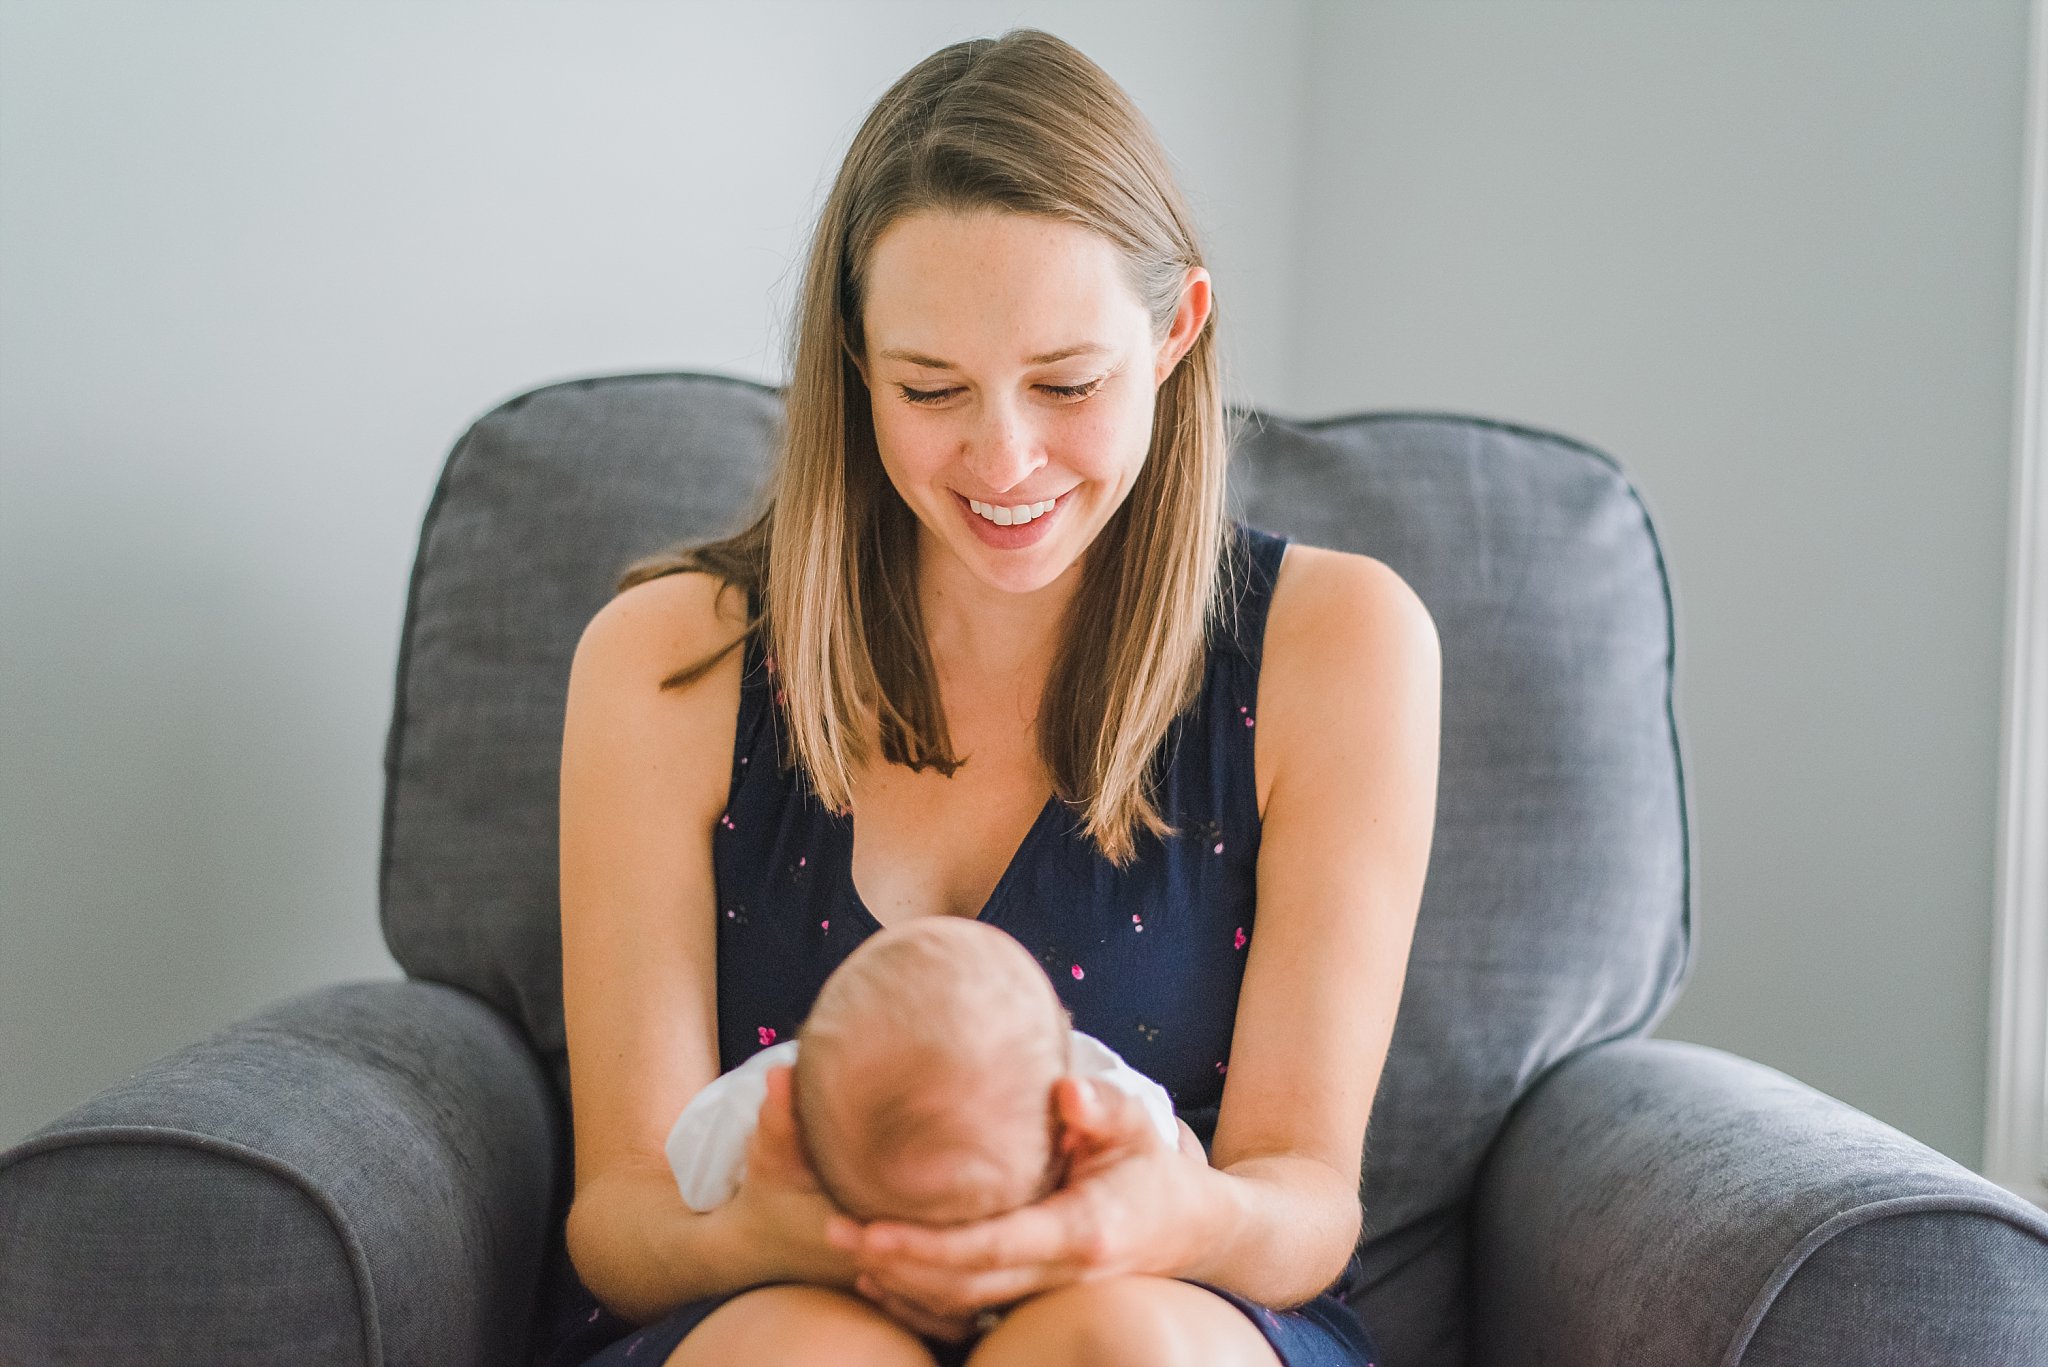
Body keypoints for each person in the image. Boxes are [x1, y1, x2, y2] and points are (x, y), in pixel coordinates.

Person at [547, 24, 1440, 1367]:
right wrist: (794, 1234)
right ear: (856, 359)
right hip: (766, 1299)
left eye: (1067, 383)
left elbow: (1302, 1202)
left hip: (1175, 1295)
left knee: (1117, 1345)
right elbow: (621, 1215)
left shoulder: (1340, 644)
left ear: (1174, 333)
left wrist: (1152, 1215)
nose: (1004, 457)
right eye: (932, 387)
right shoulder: (664, 660)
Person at [665, 916, 1182, 1222]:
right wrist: (1181, 1139)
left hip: (835, 1294)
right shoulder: (1088, 1084)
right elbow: (1167, 1148)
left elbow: (691, 1163)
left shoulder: (781, 1086)